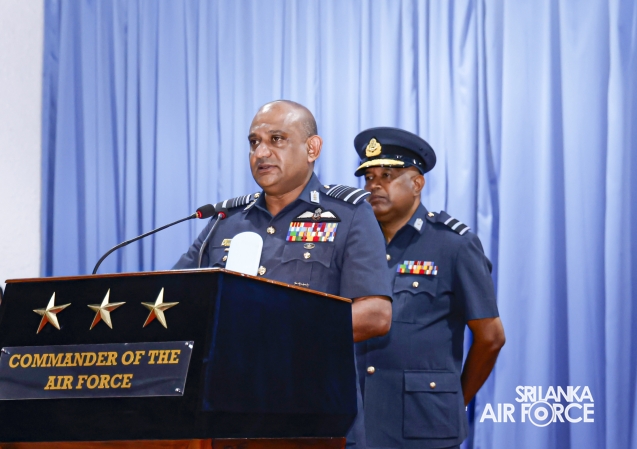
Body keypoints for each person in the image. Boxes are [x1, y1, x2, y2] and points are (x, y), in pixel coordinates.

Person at [174, 100, 393, 446]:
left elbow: (376, 315)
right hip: (227, 418)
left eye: (276, 139)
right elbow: (175, 299)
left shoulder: (349, 215)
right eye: (254, 142)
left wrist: (275, 332)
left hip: (313, 415)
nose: (261, 152)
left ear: (312, 148)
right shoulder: (225, 221)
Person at [353, 127, 505, 449]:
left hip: (424, 427)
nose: (374, 185)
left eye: (387, 175)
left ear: (417, 184)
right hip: (356, 425)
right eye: (368, 177)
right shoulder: (356, 245)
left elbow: (491, 337)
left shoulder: (454, 245)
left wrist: (452, 401)